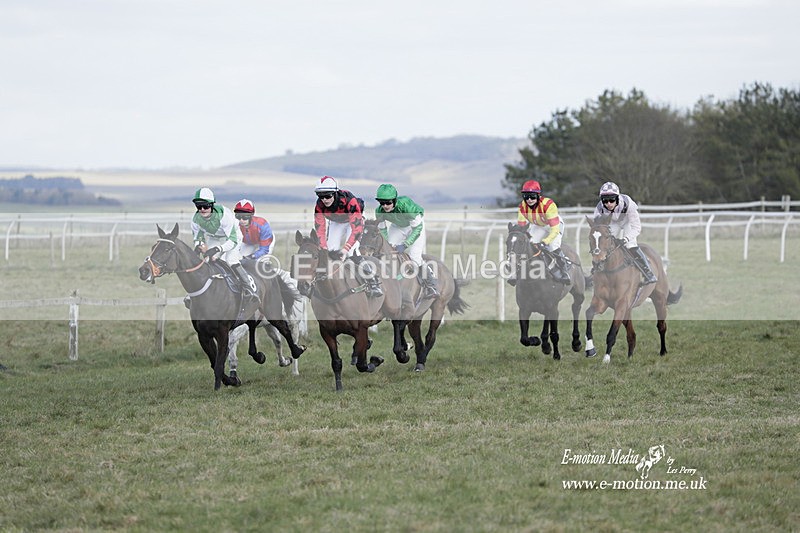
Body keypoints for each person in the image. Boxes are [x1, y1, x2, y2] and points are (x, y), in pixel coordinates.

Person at [313, 176, 382, 297]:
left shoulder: (349, 200)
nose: (324, 199)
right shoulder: (319, 205)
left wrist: (346, 248)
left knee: (352, 252)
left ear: (335, 193)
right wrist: (323, 248)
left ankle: (373, 281)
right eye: (320, 196)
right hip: (336, 221)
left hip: (354, 221)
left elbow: (356, 230)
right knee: (330, 250)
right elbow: (320, 230)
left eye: (328, 196)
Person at [190, 187, 257, 300]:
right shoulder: (195, 219)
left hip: (232, 238)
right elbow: (198, 237)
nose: (202, 209)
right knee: (208, 261)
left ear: (211, 204)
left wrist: (217, 249)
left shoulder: (224, 215)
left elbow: (232, 240)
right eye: (198, 205)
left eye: (205, 206)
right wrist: (199, 245)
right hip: (214, 238)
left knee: (230, 260)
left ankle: (249, 289)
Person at [374, 183, 438, 298]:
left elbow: (417, 228)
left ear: (394, 200)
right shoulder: (379, 211)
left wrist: (405, 245)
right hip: (397, 227)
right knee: (389, 252)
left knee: (415, 257)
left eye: (388, 202)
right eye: (381, 202)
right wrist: (388, 244)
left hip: (415, 227)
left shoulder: (405, 206)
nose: (385, 206)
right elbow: (382, 230)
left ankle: (430, 283)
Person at [593, 181, 657, 285]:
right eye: (605, 200)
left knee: (630, 245)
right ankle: (598, 269)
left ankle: (648, 272)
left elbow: (637, 227)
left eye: (612, 199)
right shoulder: (599, 209)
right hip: (613, 223)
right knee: (606, 243)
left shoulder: (628, 204)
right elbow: (597, 229)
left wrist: (625, 239)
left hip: (627, 222)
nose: (608, 203)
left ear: (617, 198)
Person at [514, 180, 571, 284]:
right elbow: (521, 228)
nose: (529, 199)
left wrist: (545, 241)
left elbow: (554, 230)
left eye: (532, 196)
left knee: (552, 246)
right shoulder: (522, 207)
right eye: (526, 197)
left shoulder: (549, 205)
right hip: (539, 225)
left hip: (553, 226)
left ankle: (564, 269)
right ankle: (522, 270)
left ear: (538, 195)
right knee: (530, 245)